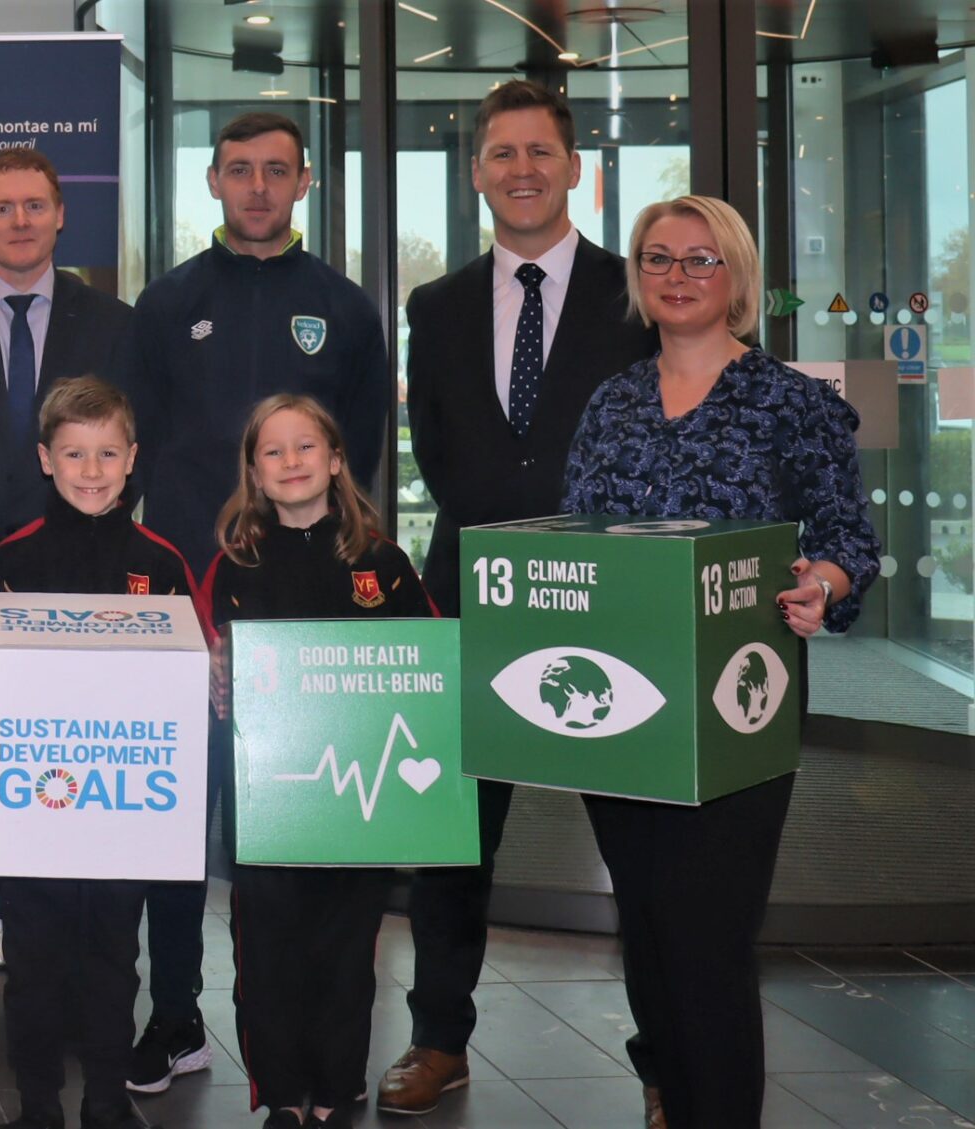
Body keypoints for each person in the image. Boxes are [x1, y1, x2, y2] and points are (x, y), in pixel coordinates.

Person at [563, 195, 879, 1129]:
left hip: (738, 710)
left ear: (736, 278)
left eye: (701, 260)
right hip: (620, 710)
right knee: (650, 930)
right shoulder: (612, 403)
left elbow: (848, 542)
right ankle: (669, 1093)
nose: (678, 276)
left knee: (708, 936)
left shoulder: (795, 403)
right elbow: (579, 544)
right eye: (659, 259)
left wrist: (821, 582)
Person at [384, 79, 658, 1116]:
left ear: (573, 166)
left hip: (610, 603)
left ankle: (663, 1055)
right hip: (473, 601)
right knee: (457, 841)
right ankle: (437, 1040)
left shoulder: (633, 294)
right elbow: (443, 458)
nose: (521, 170)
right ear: (477, 173)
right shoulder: (436, 305)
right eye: (501, 154)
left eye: (539, 151)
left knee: (638, 854)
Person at [119, 112, 388, 1095]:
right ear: (213, 182)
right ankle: (178, 1013)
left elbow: (360, 465)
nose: (259, 187)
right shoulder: (165, 304)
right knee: (177, 823)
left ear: (306, 182)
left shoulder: (345, 309)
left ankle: (319, 1040)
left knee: (303, 832)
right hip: (190, 607)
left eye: (277, 171)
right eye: (240, 171)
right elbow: (130, 457)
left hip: (311, 624)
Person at [0, 379, 185, 1129]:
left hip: (124, 808)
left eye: (108, 453)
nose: (92, 470)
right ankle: (39, 1106)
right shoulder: (11, 561)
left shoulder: (164, 562)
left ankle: (109, 1101)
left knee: (115, 961)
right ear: (45, 460)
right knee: (35, 968)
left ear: (132, 458)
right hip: (34, 810)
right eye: (75, 454)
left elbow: (188, 671)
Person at [206, 393, 436, 1129]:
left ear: (337, 460)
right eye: (273, 451)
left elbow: (428, 661)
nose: (292, 462)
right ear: (254, 470)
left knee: (344, 950)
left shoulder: (383, 563)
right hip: (264, 797)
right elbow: (213, 662)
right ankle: (280, 1092)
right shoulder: (233, 564)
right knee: (266, 950)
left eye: (307, 447)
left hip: (356, 803)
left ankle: (337, 1084)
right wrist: (215, 676)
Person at [0, 147, 137, 557]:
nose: (21, 221)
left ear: (60, 215)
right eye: (2, 208)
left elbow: (137, 451)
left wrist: (82, 543)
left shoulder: (116, 325)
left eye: (34, 205)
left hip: (83, 562)